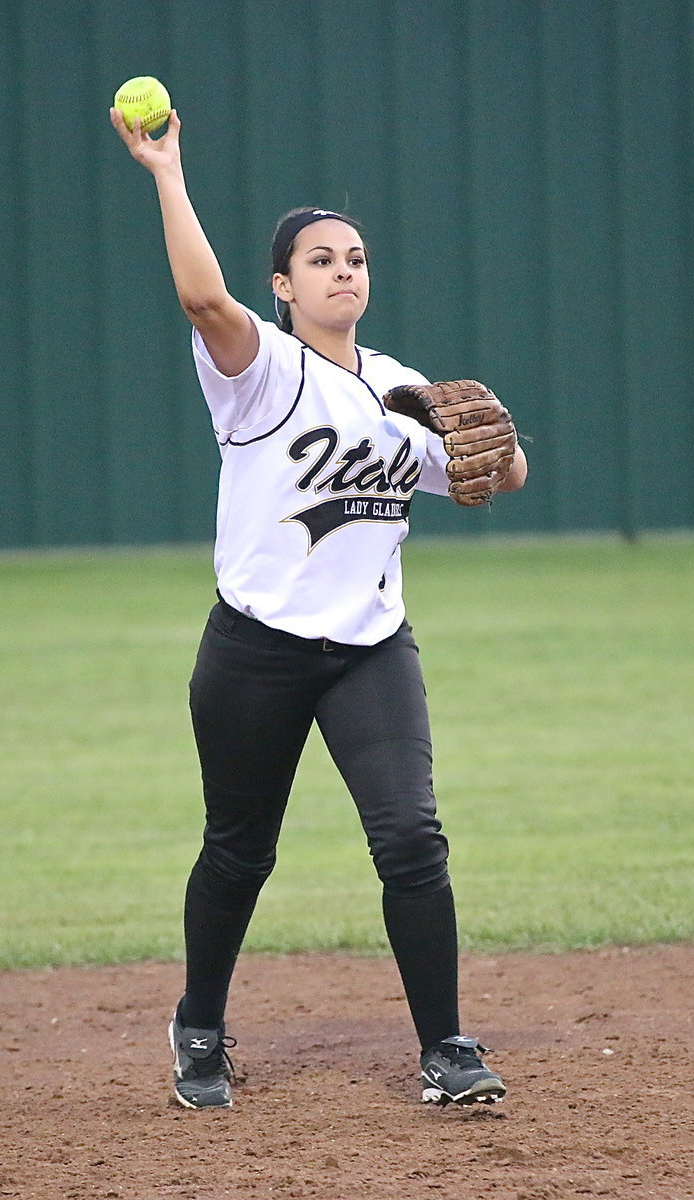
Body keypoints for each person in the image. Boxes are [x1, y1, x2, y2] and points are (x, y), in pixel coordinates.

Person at [110, 102, 528, 1110]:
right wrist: (167, 172)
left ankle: (445, 1049)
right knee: (240, 848)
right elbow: (202, 300)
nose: (344, 270)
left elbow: (492, 477)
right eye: (320, 258)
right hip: (255, 650)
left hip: (371, 649)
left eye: (355, 257)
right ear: (283, 285)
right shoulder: (258, 370)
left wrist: (496, 440)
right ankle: (199, 1029)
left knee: (410, 839)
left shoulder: (399, 386)